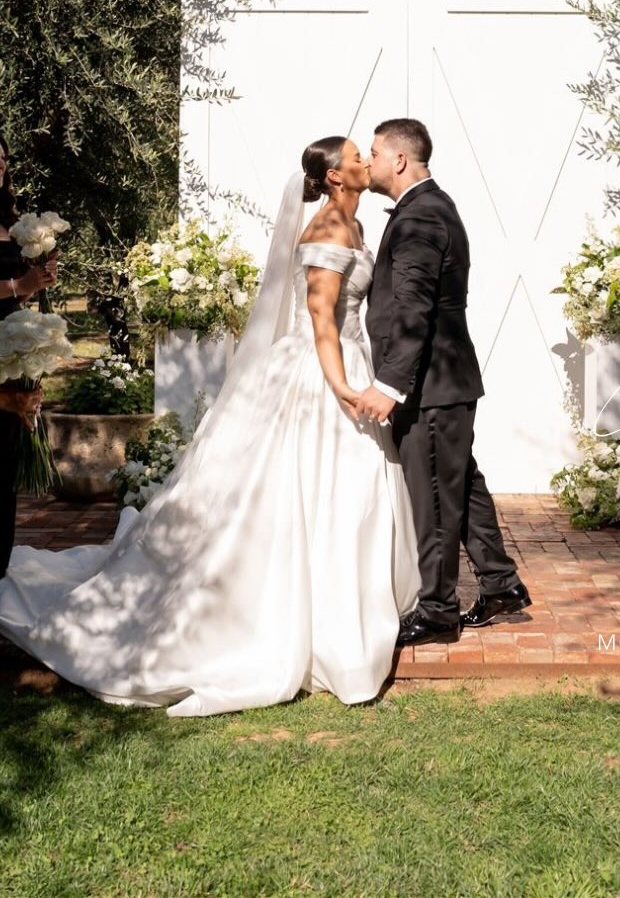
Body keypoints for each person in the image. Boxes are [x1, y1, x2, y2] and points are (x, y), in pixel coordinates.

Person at [0, 137, 420, 715]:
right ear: (333, 178)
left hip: (345, 361)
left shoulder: (355, 225)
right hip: (321, 374)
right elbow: (322, 323)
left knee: (346, 494)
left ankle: (338, 610)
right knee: (312, 493)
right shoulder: (328, 230)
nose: (364, 162)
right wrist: (344, 386)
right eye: (355, 157)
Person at [350, 118, 530, 646]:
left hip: (431, 386)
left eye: (376, 152)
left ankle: (437, 610)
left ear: (400, 160)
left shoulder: (422, 215)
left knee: (432, 496)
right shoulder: (427, 207)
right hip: (445, 384)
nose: (369, 160)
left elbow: (413, 309)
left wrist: (389, 384)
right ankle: (500, 584)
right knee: (461, 486)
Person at [0, 132, 60, 576]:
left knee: (5, 462)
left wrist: (37, 279)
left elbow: (14, 298)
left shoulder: (10, 221)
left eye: (2, 158)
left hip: (9, 344)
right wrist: (18, 286)